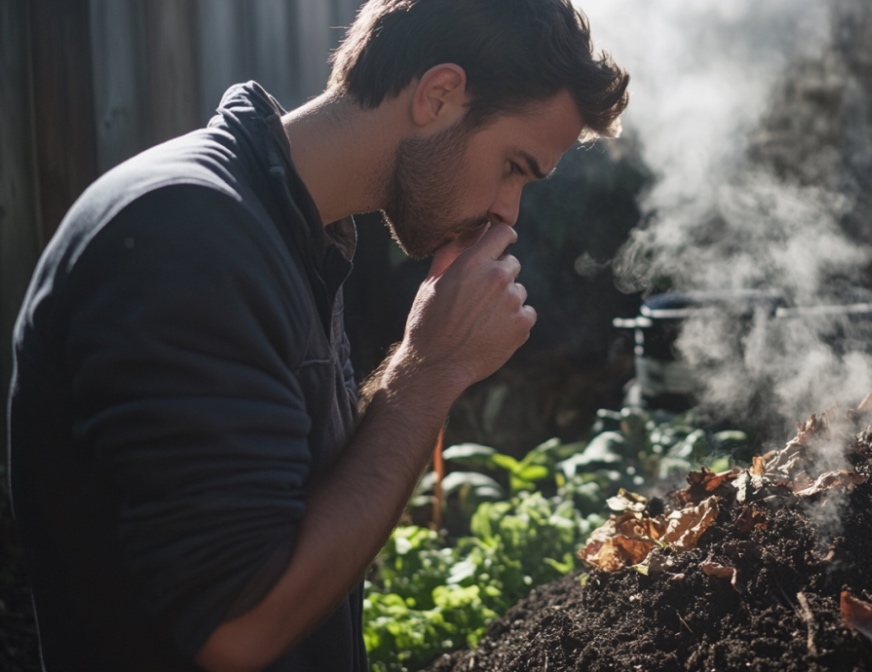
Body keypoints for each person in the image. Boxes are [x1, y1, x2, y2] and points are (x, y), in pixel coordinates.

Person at [6, 0, 628, 669]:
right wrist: (429, 371)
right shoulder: (188, 237)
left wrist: (423, 368)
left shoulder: (283, 230)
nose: (509, 210)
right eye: (514, 166)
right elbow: (237, 628)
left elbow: (298, 499)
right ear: (440, 95)